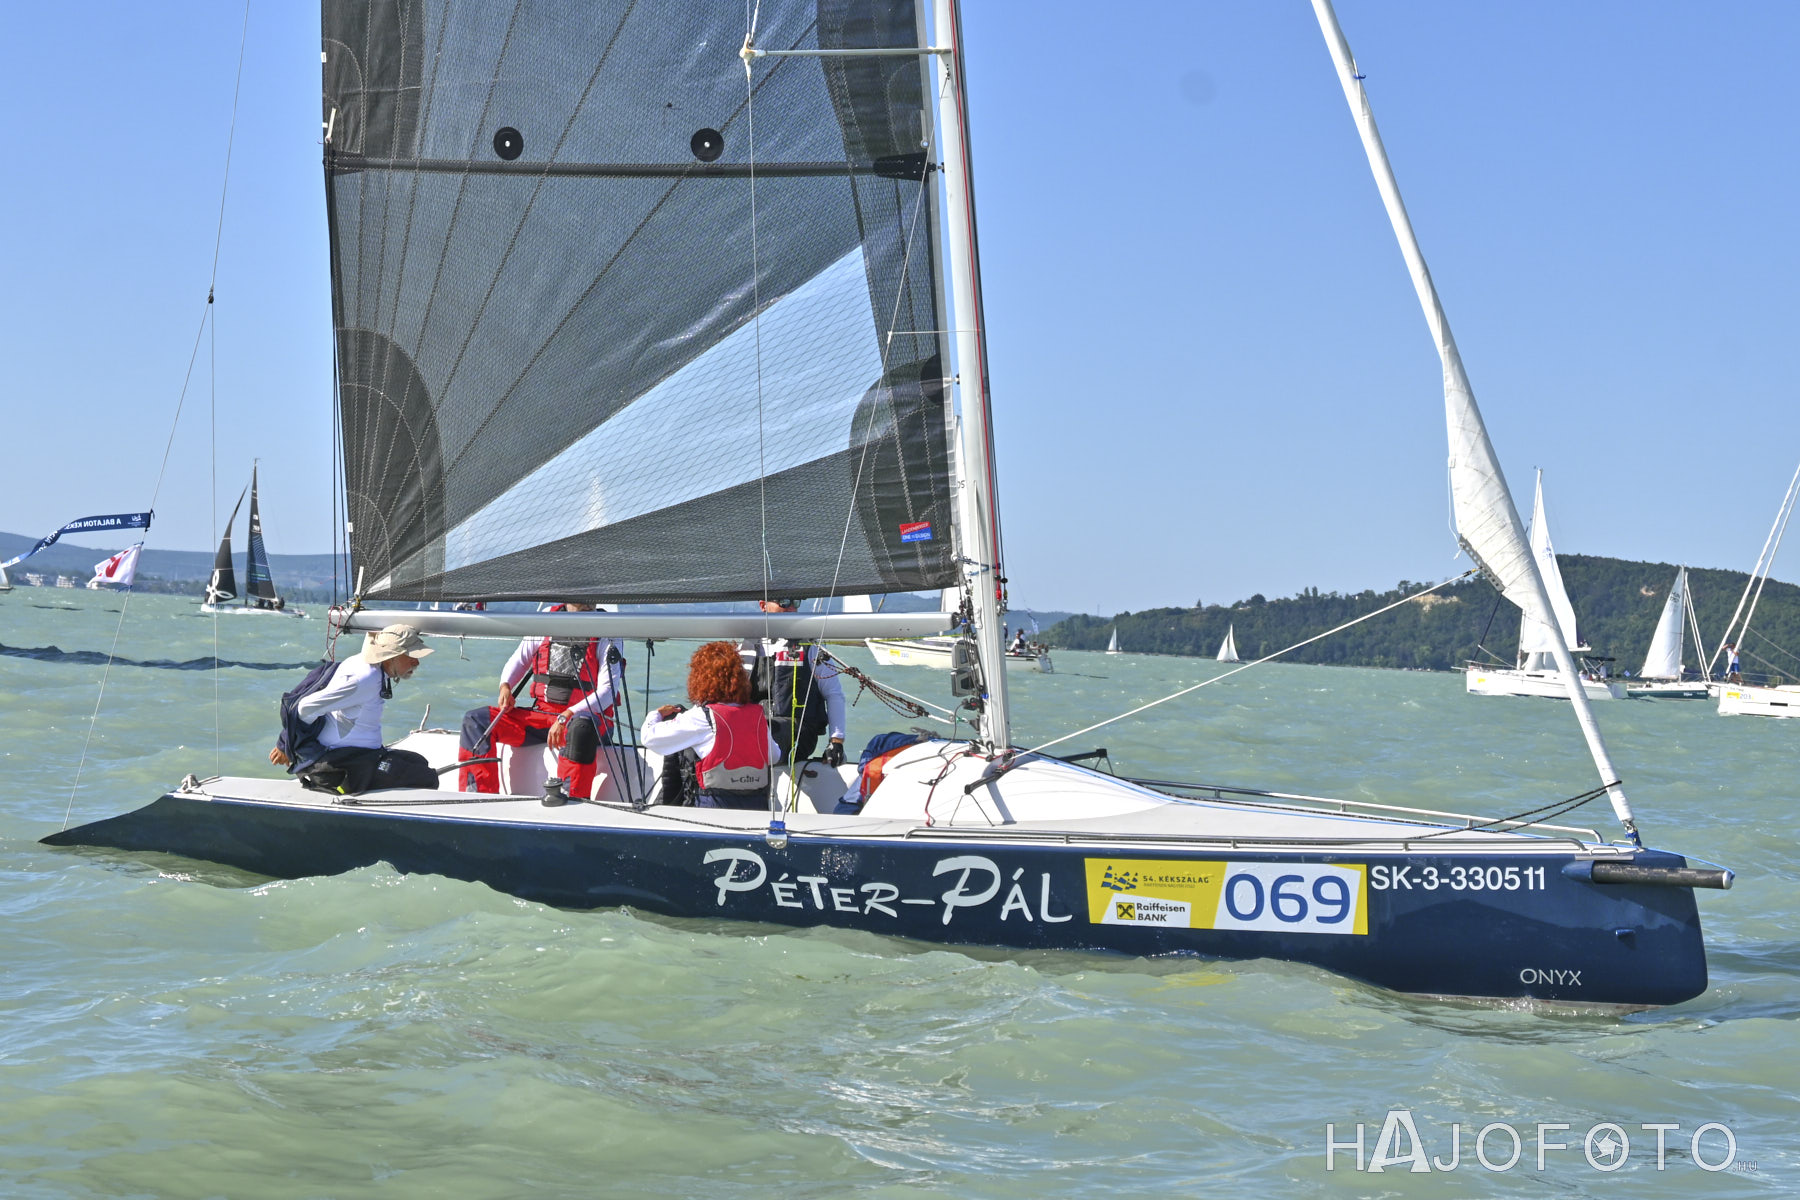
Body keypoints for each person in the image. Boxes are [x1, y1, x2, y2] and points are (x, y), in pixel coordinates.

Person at [457, 602, 624, 799]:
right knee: (476, 720)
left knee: (580, 728)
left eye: (592, 599)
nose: (588, 604)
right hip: (543, 716)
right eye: (580, 601)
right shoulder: (547, 618)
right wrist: (505, 686)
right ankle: (478, 797)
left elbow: (608, 691)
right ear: (567, 599)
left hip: (588, 721)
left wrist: (568, 715)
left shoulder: (608, 630)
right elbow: (519, 659)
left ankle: (571, 800)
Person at [269, 623, 437, 793]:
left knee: (419, 762)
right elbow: (305, 708)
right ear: (391, 656)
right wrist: (285, 744)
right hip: (343, 762)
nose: (416, 662)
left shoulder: (365, 663)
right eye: (411, 656)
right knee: (428, 779)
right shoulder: (365, 679)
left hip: (369, 754)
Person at [642, 641, 779, 809]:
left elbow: (650, 738)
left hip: (714, 810)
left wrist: (656, 714)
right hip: (756, 809)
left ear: (699, 679)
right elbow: (774, 756)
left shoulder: (702, 716)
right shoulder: (757, 715)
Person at [740, 598, 847, 766]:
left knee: (761, 733)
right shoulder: (745, 649)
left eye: (795, 602)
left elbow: (834, 694)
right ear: (763, 605)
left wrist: (836, 741)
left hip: (797, 733)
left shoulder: (810, 647)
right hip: (755, 728)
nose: (791, 607)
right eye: (783, 602)